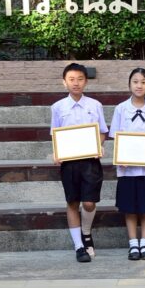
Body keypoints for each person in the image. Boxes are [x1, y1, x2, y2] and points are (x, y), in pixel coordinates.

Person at [50, 63, 108, 263]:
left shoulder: (95, 105)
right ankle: (79, 246)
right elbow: (55, 134)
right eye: (71, 79)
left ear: (86, 81)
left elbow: (102, 131)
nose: (76, 83)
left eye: (80, 79)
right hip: (69, 162)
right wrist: (57, 153)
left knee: (89, 203)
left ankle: (86, 232)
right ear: (64, 82)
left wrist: (98, 146)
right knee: (73, 202)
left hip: (90, 161)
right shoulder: (57, 107)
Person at [109, 68, 145, 261]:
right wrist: (121, 157)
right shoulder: (121, 109)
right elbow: (116, 137)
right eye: (135, 81)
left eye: (143, 82)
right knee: (130, 207)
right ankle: (133, 243)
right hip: (127, 169)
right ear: (129, 84)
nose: (139, 86)